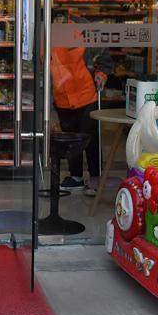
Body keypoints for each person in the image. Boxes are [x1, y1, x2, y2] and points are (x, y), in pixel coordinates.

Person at [50, 11, 108, 196]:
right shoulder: (43, 32)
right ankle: (75, 177)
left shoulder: (81, 27)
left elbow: (102, 54)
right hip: (62, 97)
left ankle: (95, 177)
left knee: (89, 138)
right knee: (71, 139)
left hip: (86, 93)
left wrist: (101, 74)